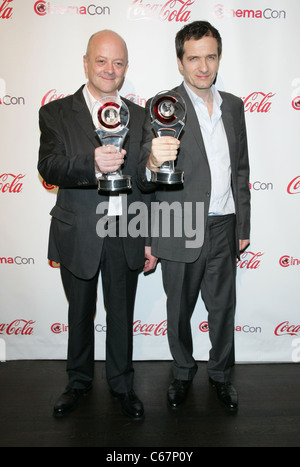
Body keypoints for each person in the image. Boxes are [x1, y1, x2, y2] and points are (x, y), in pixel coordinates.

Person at [38, 30, 156, 420]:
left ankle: (122, 385)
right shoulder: (55, 112)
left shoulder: (141, 117)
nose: (110, 69)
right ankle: (78, 382)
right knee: (79, 314)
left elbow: (144, 183)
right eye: (102, 60)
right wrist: (92, 164)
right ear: (86, 62)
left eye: (118, 62)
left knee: (122, 315)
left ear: (126, 68)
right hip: (78, 233)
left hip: (127, 232)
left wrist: (150, 237)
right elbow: (49, 167)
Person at [137, 21, 251, 411]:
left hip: (224, 225)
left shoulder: (233, 106)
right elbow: (144, 173)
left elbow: (241, 170)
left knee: (223, 310)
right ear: (180, 61)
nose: (203, 66)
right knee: (179, 309)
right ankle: (183, 372)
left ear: (218, 58)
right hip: (177, 223)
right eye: (194, 58)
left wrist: (243, 225)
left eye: (211, 56)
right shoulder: (163, 105)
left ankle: (220, 374)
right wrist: (150, 234)